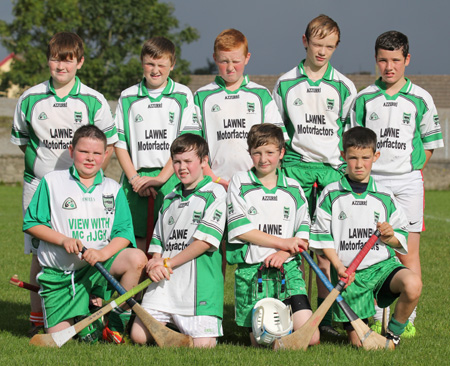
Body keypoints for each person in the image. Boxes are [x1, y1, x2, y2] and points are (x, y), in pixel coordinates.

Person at [10, 31, 118, 336]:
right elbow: (24, 143)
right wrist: (47, 172)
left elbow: (107, 144)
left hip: (80, 189)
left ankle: (87, 310)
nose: (61, 66)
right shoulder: (29, 98)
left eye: (68, 60)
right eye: (56, 58)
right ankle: (37, 320)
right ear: (48, 59)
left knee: (87, 249)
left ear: (80, 62)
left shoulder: (93, 100)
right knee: (40, 253)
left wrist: (89, 179)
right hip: (38, 185)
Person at [349, 30, 444, 336]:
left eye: (395, 60)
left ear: (407, 60)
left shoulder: (421, 98)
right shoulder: (364, 99)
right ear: (375, 60)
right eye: (382, 60)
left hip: (407, 184)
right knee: (375, 251)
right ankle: (378, 315)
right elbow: (353, 143)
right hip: (372, 184)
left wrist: (408, 171)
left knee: (407, 252)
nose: (389, 67)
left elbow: (429, 144)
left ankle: (408, 320)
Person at [272, 14, 357, 337]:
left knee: (325, 249)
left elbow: (349, 135)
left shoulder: (344, 86)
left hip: (331, 173)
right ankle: (291, 312)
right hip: (294, 168)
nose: (322, 52)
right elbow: (278, 131)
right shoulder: (285, 83)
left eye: (330, 46)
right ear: (305, 41)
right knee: (293, 246)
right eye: (318, 44)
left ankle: (322, 319)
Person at [23, 125, 147, 343]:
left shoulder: (112, 188)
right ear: (71, 151)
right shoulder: (52, 182)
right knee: (60, 339)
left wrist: (101, 254)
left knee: (136, 257)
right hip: (60, 276)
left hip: (97, 271)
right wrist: (63, 240)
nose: (90, 158)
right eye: (84, 152)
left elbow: (124, 233)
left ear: (106, 155)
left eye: (97, 153)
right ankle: (90, 312)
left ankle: (116, 323)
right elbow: (32, 223)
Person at [309, 126, 422, 347]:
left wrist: (389, 236)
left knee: (413, 284)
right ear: (343, 156)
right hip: (350, 275)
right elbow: (322, 238)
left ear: (375, 157)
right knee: (360, 345)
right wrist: (338, 266)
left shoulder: (384, 195)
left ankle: (393, 335)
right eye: (352, 158)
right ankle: (359, 325)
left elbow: (400, 236)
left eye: (365, 158)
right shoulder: (331, 194)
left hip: (382, 267)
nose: (359, 164)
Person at [226, 124, 319, 347]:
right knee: (262, 341)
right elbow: (241, 230)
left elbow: (303, 237)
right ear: (250, 153)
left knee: (311, 338)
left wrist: (284, 253)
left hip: (287, 270)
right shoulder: (239, 182)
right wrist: (284, 244)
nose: (263, 159)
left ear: (282, 153)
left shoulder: (294, 188)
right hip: (253, 272)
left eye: (270, 152)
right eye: (257, 153)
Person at [130, 133, 227, 348]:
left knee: (203, 346)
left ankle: (177, 332)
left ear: (203, 161)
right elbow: (158, 243)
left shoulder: (215, 193)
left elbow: (205, 242)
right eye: (177, 162)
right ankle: (174, 329)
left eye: (188, 162)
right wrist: (155, 263)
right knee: (138, 335)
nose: (182, 168)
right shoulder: (170, 198)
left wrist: (168, 263)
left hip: (198, 288)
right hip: (166, 283)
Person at [114, 36, 195, 253]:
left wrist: (160, 179)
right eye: (150, 63)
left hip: (172, 178)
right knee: (135, 248)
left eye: (161, 65)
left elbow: (186, 144)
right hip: (136, 182)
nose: (155, 70)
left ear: (172, 64)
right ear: (142, 63)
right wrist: (135, 180)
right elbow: (119, 144)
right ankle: (136, 289)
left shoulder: (183, 94)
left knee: (170, 244)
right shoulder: (127, 97)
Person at [181, 28, 286, 191]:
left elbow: (276, 142)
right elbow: (193, 147)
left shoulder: (261, 95)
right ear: (215, 58)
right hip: (213, 184)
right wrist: (213, 178)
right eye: (224, 61)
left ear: (247, 58)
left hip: (254, 184)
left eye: (236, 61)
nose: (230, 67)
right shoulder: (201, 96)